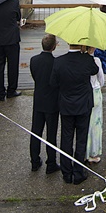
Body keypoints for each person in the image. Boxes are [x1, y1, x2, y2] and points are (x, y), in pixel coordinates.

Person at [50, 43, 99, 184]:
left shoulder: (59, 61)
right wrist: (89, 54)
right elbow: (95, 70)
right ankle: (78, 172)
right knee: (81, 139)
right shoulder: (86, 60)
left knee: (66, 138)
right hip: (83, 105)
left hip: (66, 105)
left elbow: (53, 83)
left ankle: (66, 172)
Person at [29, 33, 60, 174]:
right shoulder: (56, 63)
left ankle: (34, 161)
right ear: (54, 47)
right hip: (52, 102)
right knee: (51, 134)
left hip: (39, 100)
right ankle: (51, 162)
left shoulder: (34, 60)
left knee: (36, 132)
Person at [85, 48, 105, 163]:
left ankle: (84, 152)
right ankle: (93, 152)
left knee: (85, 123)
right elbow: (101, 80)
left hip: (84, 93)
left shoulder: (81, 61)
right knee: (96, 124)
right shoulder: (96, 61)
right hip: (95, 92)